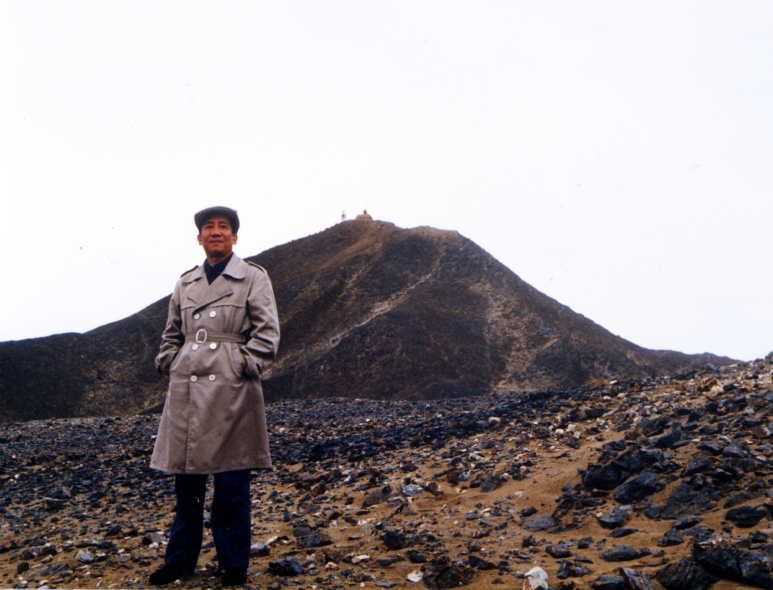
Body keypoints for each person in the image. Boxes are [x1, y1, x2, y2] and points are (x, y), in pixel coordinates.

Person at [148, 206, 280, 586]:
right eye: (209, 227)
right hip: (187, 390)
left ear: (234, 237)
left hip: (231, 391)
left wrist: (242, 364)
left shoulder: (253, 277)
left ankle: (233, 564)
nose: (216, 232)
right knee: (186, 486)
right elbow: (171, 334)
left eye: (224, 227)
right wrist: (170, 362)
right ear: (200, 238)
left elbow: (267, 334)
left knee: (231, 483)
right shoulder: (185, 283)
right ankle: (179, 562)